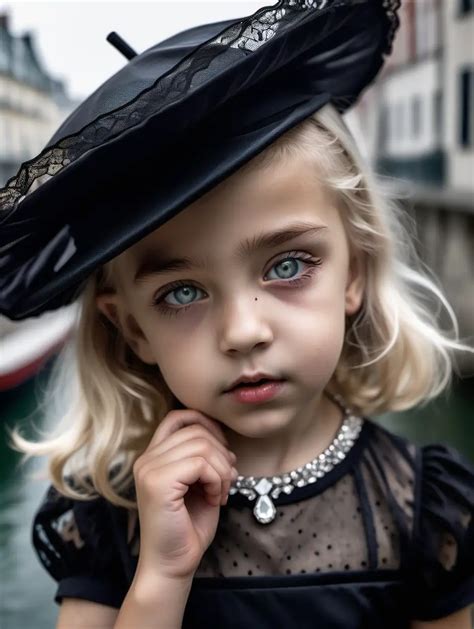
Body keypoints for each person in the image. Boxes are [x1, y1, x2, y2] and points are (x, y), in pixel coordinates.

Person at [2, 1, 474, 628]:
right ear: (132, 327)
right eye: (182, 293)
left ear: (353, 275)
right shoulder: (111, 515)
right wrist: (161, 579)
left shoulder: (424, 510)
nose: (244, 331)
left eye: (287, 267)